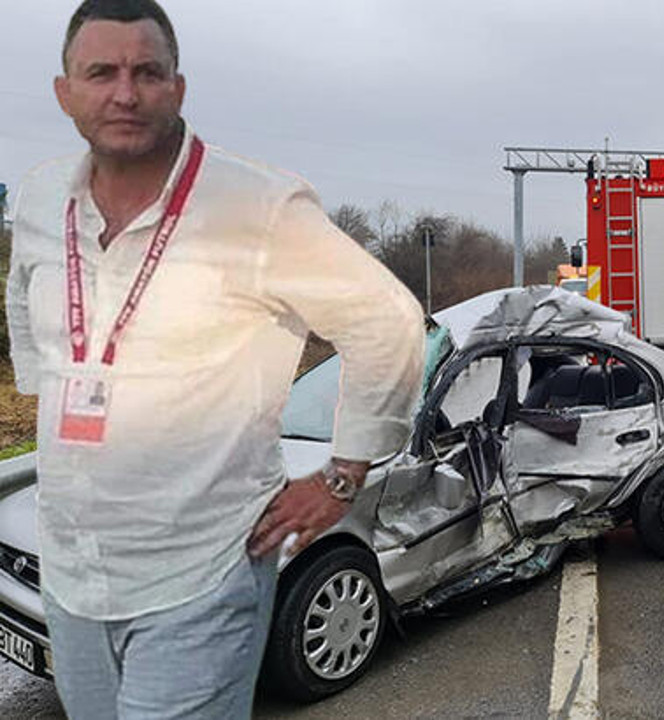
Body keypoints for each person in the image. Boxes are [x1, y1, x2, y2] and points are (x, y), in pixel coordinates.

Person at [5, 1, 425, 717]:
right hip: (71, 572)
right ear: (64, 91)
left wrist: (343, 475)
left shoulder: (257, 207)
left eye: (147, 72)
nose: (125, 93)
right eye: (101, 72)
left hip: (198, 572)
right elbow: (25, 300)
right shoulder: (44, 199)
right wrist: (59, 393)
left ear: (178, 87)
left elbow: (387, 322)